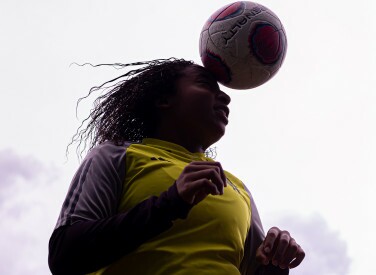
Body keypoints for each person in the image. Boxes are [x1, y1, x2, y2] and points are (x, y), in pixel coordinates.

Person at [48, 58, 305, 275]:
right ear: (164, 100)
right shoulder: (117, 155)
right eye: (205, 85)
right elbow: (65, 255)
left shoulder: (237, 188)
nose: (226, 97)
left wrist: (275, 261)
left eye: (224, 92)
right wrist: (170, 203)